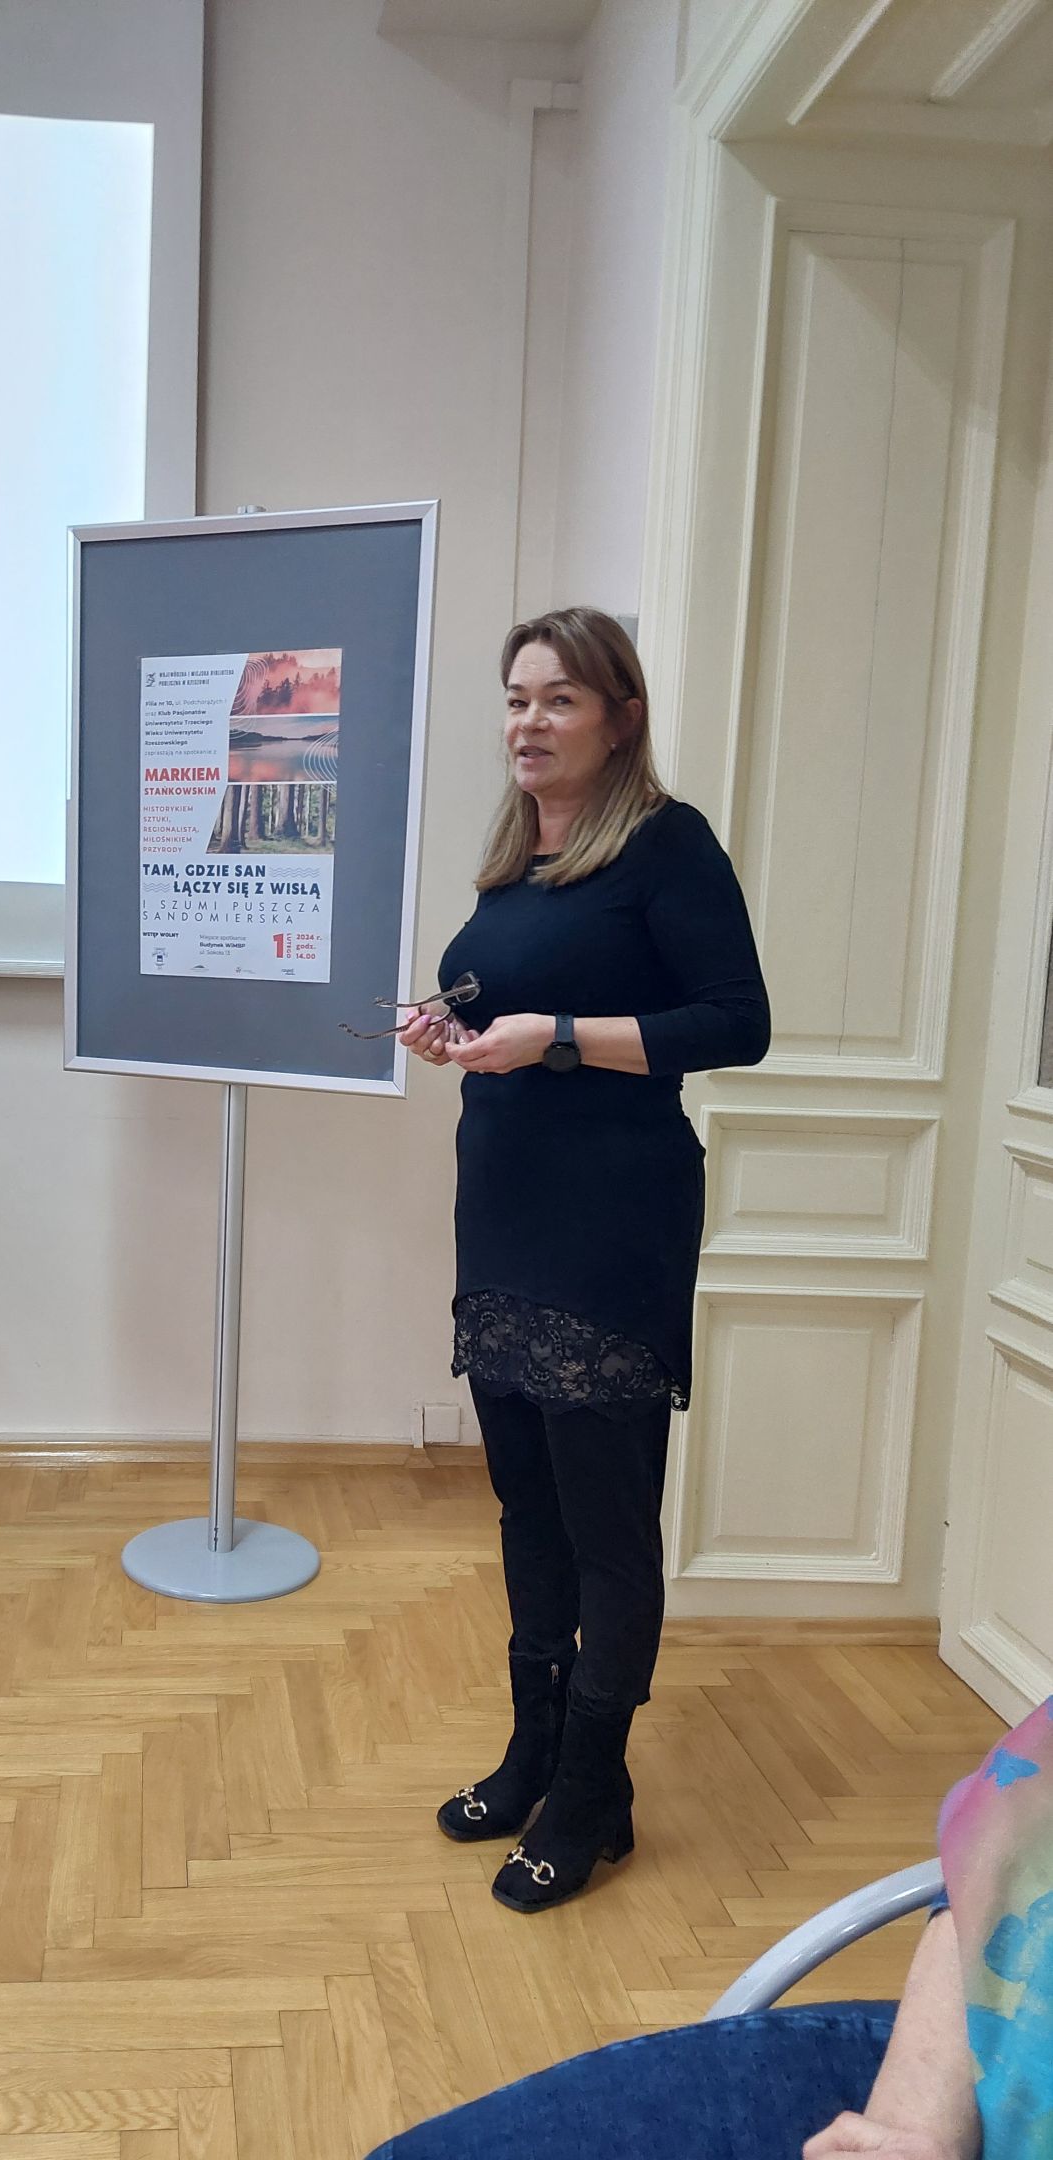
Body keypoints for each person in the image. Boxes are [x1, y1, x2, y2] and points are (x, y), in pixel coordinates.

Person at [400, 608, 769, 1912]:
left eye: (559, 699)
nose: (529, 722)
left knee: (608, 1525)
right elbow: (501, 1002)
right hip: (503, 1215)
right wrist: (449, 1023)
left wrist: (555, 1035)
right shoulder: (518, 863)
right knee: (528, 1507)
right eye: (516, 699)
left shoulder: (668, 844)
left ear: (621, 718)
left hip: (612, 1223)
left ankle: (593, 1788)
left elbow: (736, 1023)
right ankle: (535, 1751)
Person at [364, 1692, 1053, 2159]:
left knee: (607, 1546)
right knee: (546, 1530)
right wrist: (911, 2119)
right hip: (1001, 2050)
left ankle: (589, 1786)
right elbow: (1028, 1814)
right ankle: (556, 1764)